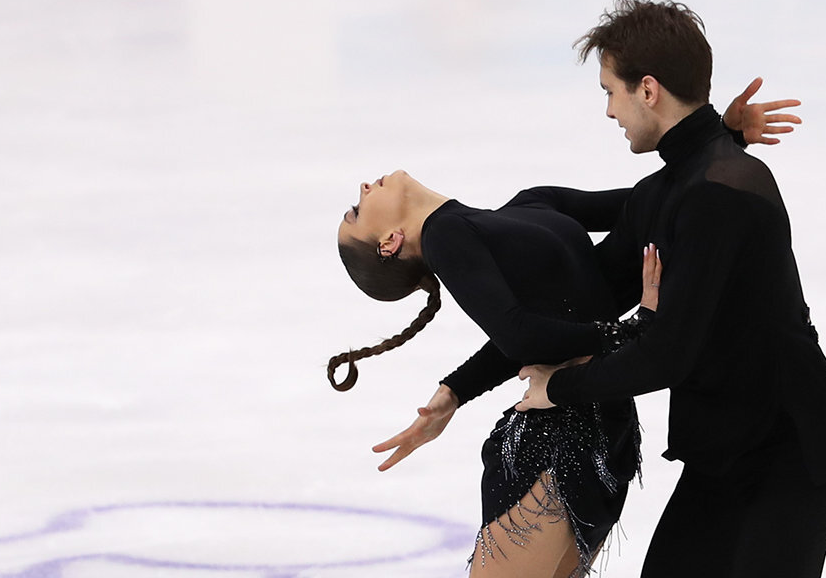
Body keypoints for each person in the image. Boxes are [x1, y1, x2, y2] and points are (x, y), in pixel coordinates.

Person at [326, 90, 800, 578]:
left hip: (580, 431)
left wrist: (723, 140)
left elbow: (655, 203)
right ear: (390, 243)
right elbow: (520, 337)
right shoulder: (444, 235)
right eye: (356, 212)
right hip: (561, 440)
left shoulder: (523, 207)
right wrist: (629, 332)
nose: (363, 188)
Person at [513, 0, 826, 578]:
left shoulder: (723, 190)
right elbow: (590, 295)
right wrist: (460, 381)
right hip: (725, 453)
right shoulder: (670, 191)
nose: (609, 111)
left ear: (648, 90)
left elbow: (668, 355)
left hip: (793, 454)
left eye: (610, 91)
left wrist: (561, 387)